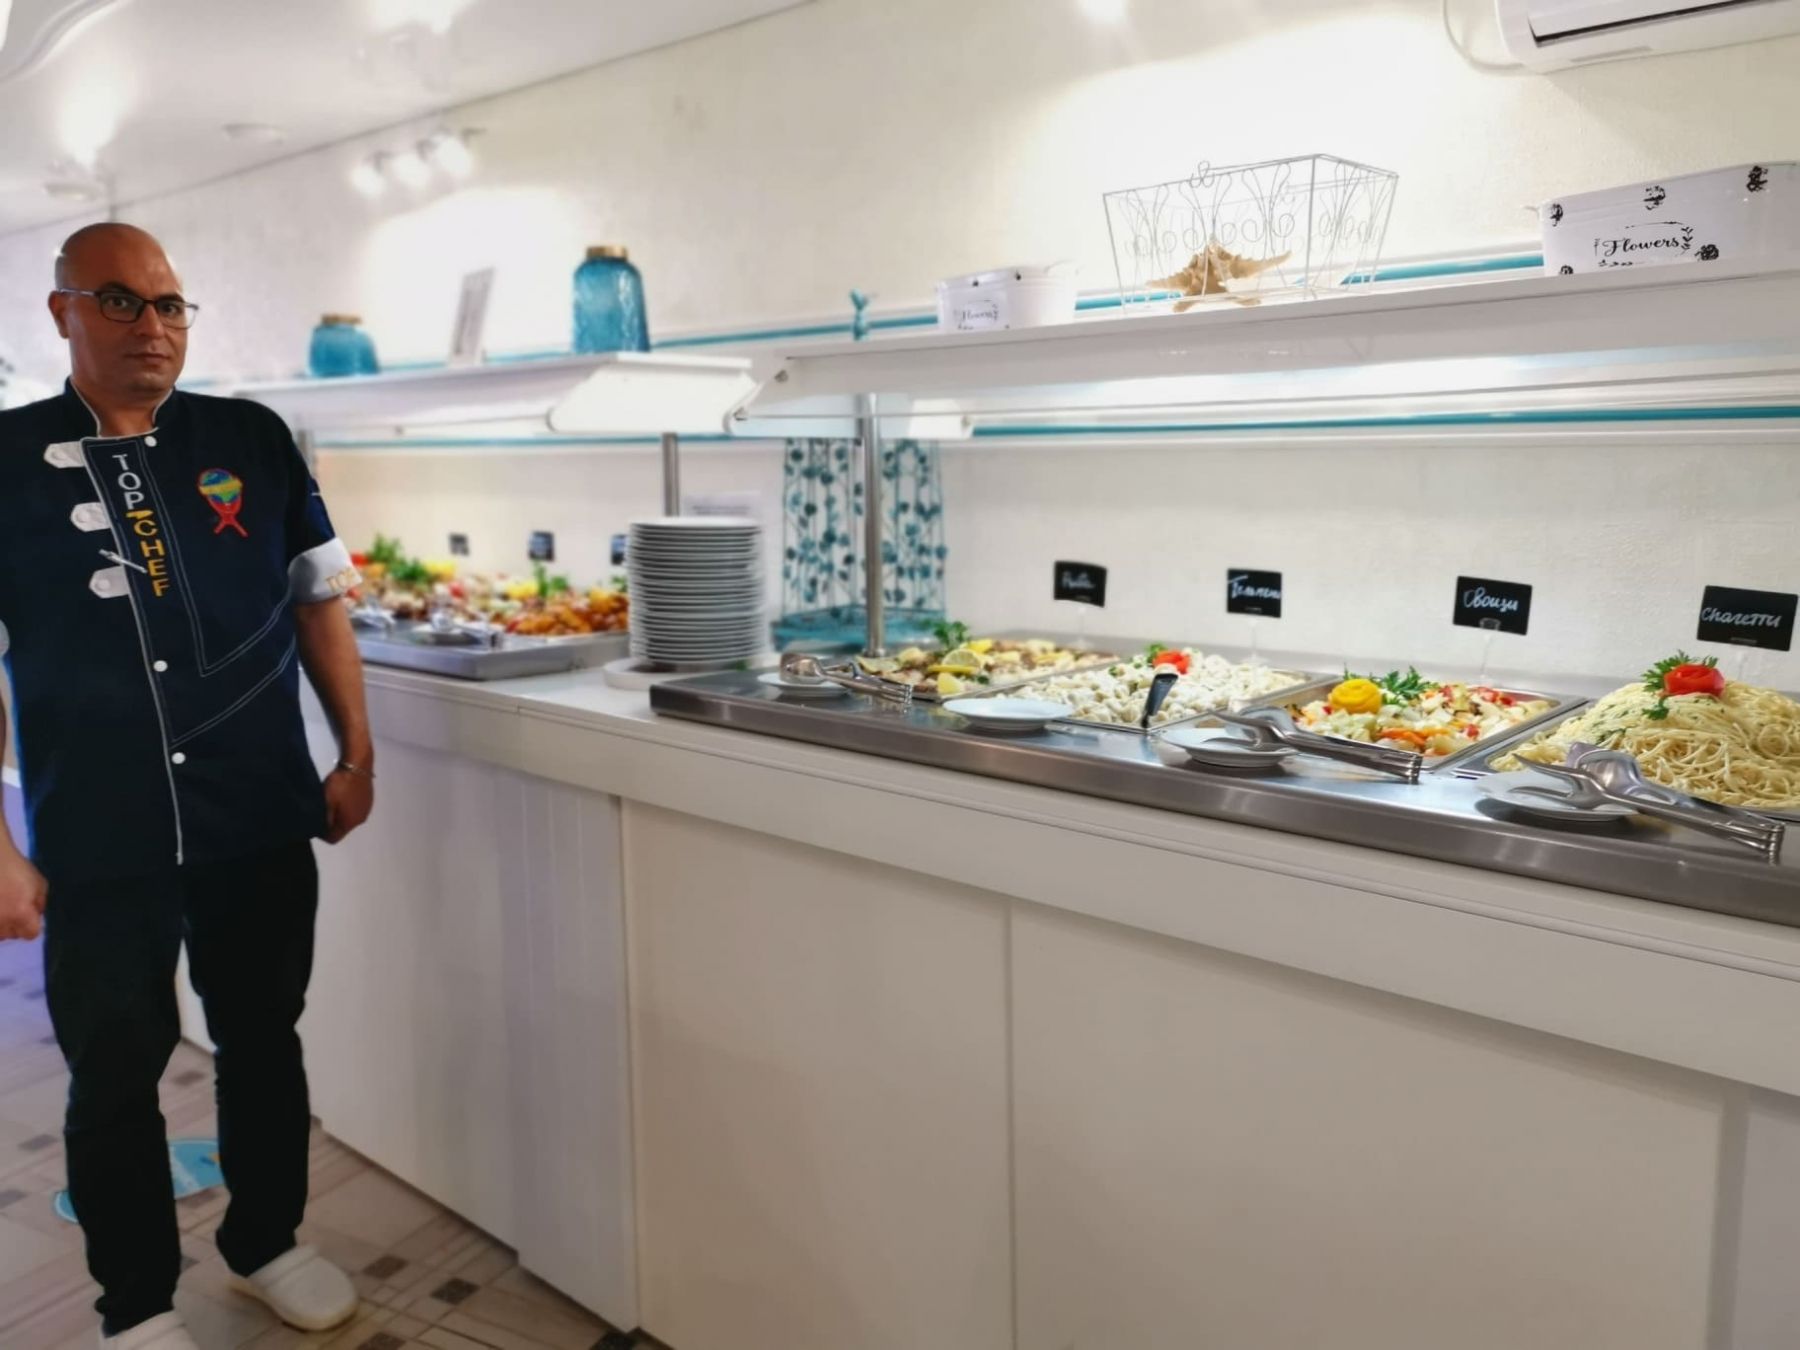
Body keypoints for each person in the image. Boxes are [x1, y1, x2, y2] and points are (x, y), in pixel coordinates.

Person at [0, 223, 375, 1350]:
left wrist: (355, 753)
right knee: (115, 1067)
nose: (152, 326)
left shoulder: (249, 439)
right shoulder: (5, 459)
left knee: (264, 1037)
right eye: (119, 301)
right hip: (97, 827)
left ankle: (267, 1243)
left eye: (168, 305)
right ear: (63, 312)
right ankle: (137, 1306)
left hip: (256, 808)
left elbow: (319, 598)